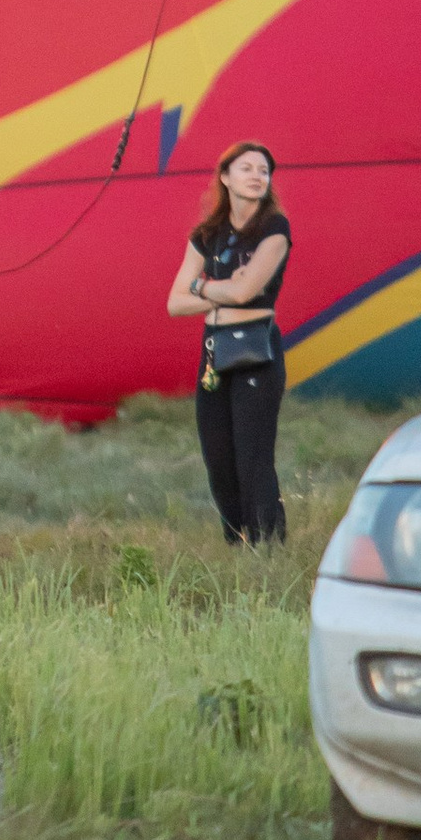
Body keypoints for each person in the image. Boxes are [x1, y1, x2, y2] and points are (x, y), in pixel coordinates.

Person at [166, 139, 291, 545]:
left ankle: (268, 544)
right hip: (215, 347)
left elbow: (246, 293)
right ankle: (236, 542)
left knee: (252, 454)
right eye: (247, 168)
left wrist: (201, 287)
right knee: (218, 456)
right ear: (225, 177)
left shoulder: (274, 229)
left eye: (263, 170)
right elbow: (175, 303)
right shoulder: (208, 235)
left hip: (256, 347)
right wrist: (214, 286)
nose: (257, 176)